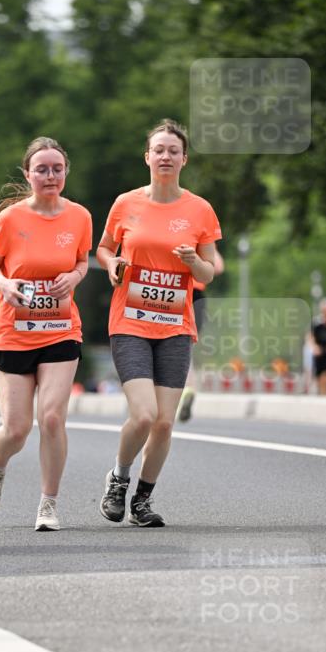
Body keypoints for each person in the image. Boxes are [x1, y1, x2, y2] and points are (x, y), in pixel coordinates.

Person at [96, 119, 220, 527]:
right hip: (130, 321)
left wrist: (193, 261)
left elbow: (208, 271)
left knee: (165, 423)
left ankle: (142, 500)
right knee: (145, 415)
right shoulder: (126, 203)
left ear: (185, 159)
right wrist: (112, 264)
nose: (166, 156)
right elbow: (104, 248)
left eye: (173, 151)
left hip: (175, 325)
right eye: (159, 150)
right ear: (147, 157)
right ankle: (119, 479)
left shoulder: (199, 209)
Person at [0, 136, 91, 531]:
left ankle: (48, 504)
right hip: (13, 330)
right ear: (28, 174)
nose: (50, 176)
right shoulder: (11, 218)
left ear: (66, 172)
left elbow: (81, 261)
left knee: (53, 417)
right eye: (42, 169)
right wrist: (4, 284)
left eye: (57, 169)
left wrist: (73, 277)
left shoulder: (79, 217)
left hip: (60, 328)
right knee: (16, 429)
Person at [177, 247, 225, 421]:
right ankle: (189, 387)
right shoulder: (202, 240)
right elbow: (218, 267)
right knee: (186, 348)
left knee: (167, 344)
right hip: (198, 296)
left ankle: (173, 393)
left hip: (176, 288)